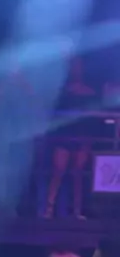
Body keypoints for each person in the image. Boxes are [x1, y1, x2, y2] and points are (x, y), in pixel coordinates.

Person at [44, 56, 96, 220]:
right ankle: (48, 209)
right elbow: (55, 113)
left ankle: (77, 210)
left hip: (81, 135)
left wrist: (88, 140)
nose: (76, 69)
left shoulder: (89, 92)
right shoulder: (63, 91)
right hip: (65, 134)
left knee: (77, 174)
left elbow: (91, 116)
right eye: (74, 66)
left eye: (78, 66)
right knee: (58, 171)